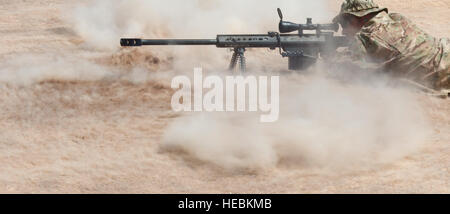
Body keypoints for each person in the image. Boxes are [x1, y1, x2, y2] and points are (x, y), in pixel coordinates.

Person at [331, 0, 450, 91]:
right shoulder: (397, 18)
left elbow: (344, 68)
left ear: (361, 17)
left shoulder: (365, 36)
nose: (343, 31)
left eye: (344, 23)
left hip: (443, 73)